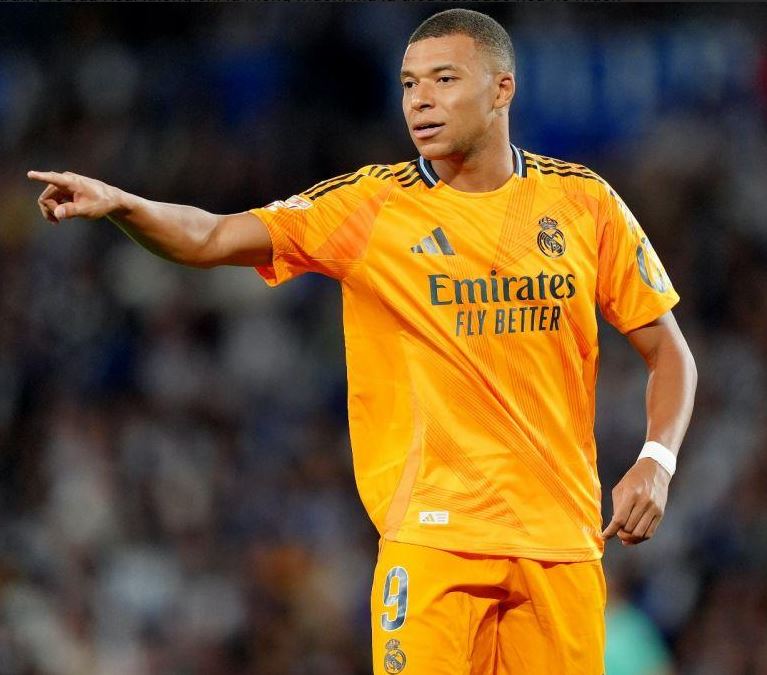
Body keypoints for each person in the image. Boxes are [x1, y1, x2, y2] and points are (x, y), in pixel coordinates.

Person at [28, 8, 696, 674]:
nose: (419, 100)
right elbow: (212, 236)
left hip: (562, 546)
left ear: (502, 89)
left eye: (442, 79)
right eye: (408, 84)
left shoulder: (583, 203)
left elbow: (669, 352)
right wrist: (127, 205)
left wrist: (656, 459)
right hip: (433, 543)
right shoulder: (369, 205)